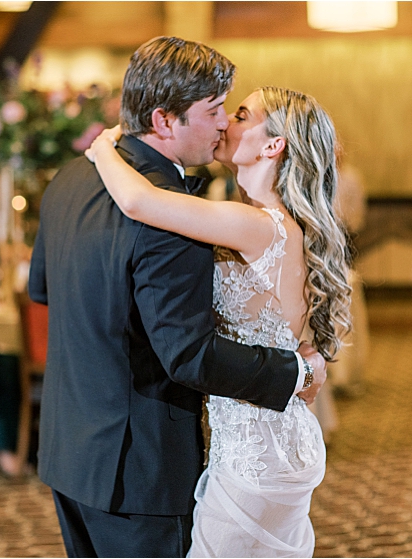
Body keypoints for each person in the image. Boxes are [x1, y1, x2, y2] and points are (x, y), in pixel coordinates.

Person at [30, 37, 330, 558]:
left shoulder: (70, 180)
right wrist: (296, 373)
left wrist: (101, 146)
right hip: (139, 465)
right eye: (215, 110)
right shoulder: (170, 215)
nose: (223, 123)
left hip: (69, 449)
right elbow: (188, 354)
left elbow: (43, 289)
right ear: (165, 121)